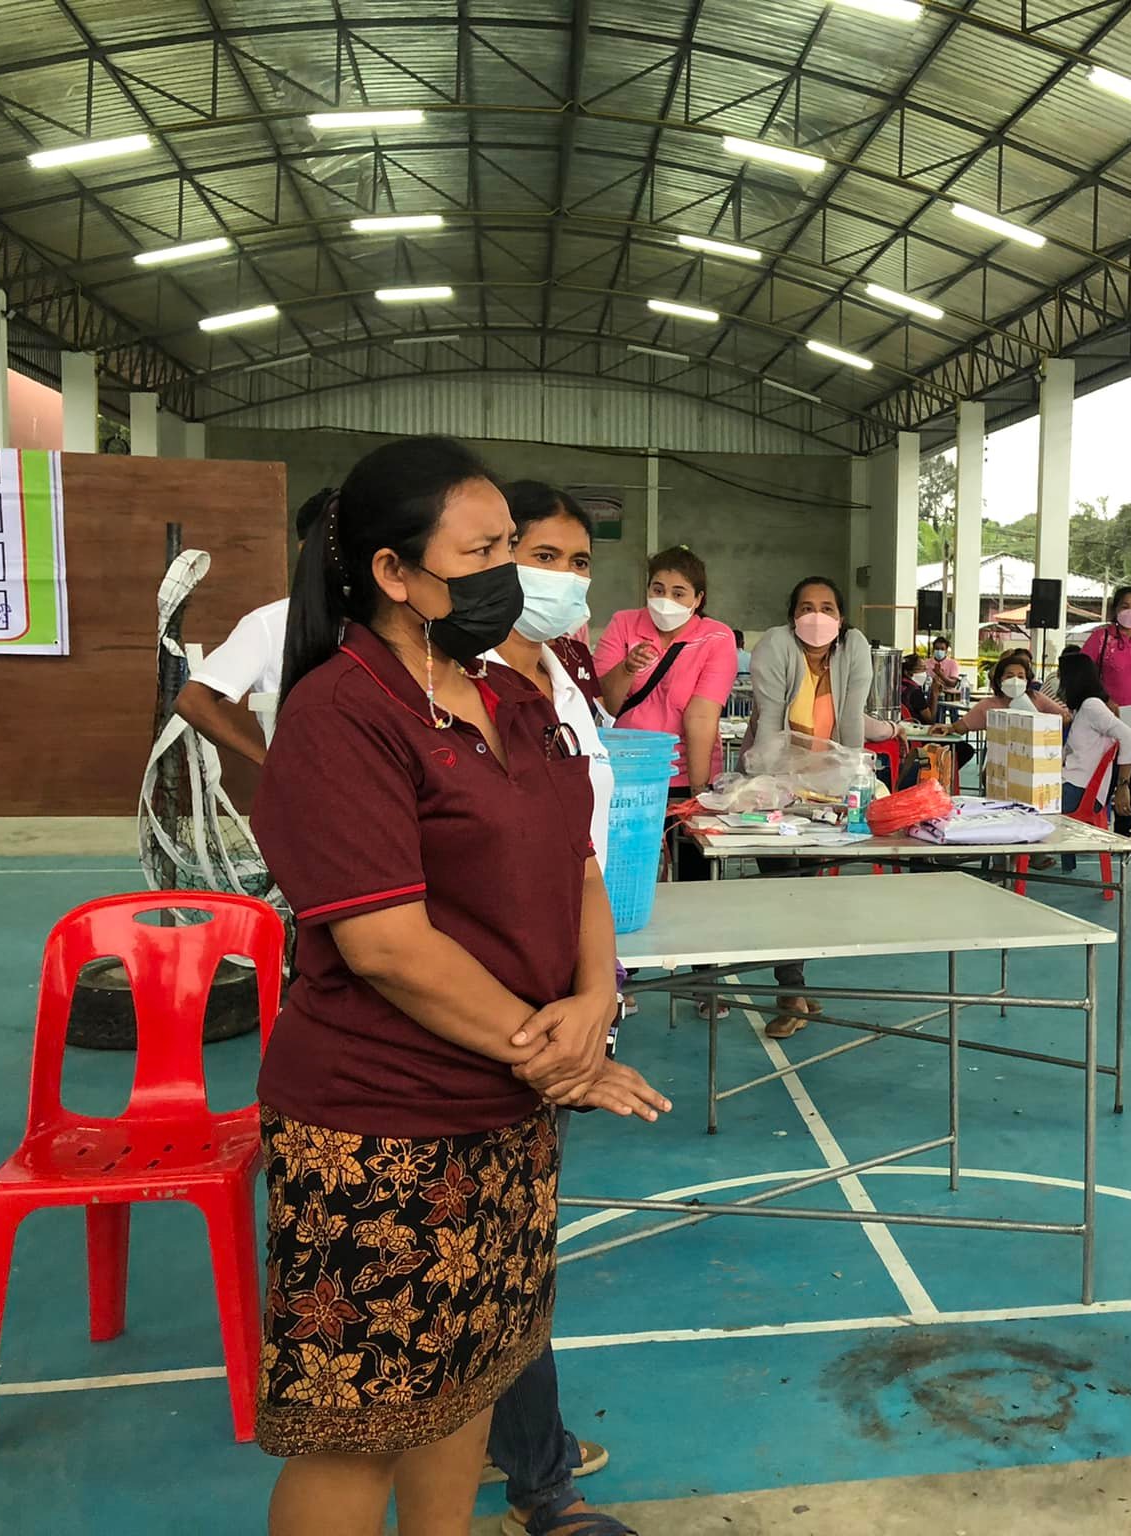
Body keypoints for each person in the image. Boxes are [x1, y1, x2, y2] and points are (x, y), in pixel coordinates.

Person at [251, 435, 669, 1536]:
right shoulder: (342, 715)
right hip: (381, 1132)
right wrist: (557, 1048)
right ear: (393, 573)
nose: (509, 577)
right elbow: (387, 945)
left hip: (507, 1117)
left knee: (467, 1382)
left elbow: (578, 861)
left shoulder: (511, 697)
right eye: (481, 551)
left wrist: (591, 1008)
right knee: (361, 1430)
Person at [478, 481, 624, 1535]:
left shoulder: (559, 673)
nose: (564, 578)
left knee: (516, 1238)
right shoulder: (460, 683)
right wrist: (545, 1022)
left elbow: (579, 856)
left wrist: (595, 992)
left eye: (579, 560)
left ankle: (524, 1452)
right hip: (500, 1004)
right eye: (542, 554)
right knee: (499, 1245)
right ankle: (540, 1479)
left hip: (564, 982)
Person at [743, 576, 905, 1038]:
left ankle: (795, 985)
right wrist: (778, 788)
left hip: (830, 788)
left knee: (805, 888)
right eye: (807, 607)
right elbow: (772, 728)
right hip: (774, 781)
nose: (817, 616)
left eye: (828, 608)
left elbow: (852, 720)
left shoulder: (852, 648)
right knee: (782, 887)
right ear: (792, 615)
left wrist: (854, 784)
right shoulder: (775, 647)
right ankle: (790, 992)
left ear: (841, 617)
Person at [593, 546, 737, 882]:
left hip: (687, 774)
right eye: (657, 590)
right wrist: (627, 668)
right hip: (628, 774)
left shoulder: (716, 637)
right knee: (623, 871)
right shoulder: (623, 623)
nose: (665, 600)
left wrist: (698, 795)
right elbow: (606, 703)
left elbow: (701, 716)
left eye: (678, 593)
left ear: (698, 599)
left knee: (693, 874)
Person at [174, 486, 334, 766]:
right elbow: (192, 701)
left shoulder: (384, 619)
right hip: (309, 790)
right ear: (305, 549)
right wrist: (269, 762)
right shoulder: (270, 624)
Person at [1082, 586, 1131, 841]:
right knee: (1102, 777)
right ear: (1115, 610)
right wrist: (1104, 699)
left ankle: (1124, 836)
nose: (1130, 612)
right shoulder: (1100, 638)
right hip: (1104, 721)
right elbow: (1081, 673)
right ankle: (1095, 832)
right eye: (1125, 606)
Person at [1053, 650, 1131, 872]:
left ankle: (1021, 860)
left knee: (1024, 805)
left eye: (1061, 675)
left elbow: (1129, 737)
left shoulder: (1093, 707)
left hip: (1080, 791)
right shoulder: (1083, 708)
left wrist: (1123, 786)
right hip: (1072, 784)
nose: (1058, 681)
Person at [947, 648, 1070, 733]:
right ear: (1000, 680)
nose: (1015, 681)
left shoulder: (1036, 698)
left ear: (1027, 681)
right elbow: (962, 726)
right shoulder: (988, 705)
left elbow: (1065, 718)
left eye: (1021, 676)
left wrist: (1040, 722)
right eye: (1010, 676)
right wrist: (947, 729)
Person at [901, 653, 937, 726]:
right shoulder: (914, 692)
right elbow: (930, 720)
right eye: (921, 668)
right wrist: (934, 693)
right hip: (914, 729)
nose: (924, 672)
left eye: (925, 668)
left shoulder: (897, 685)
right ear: (907, 672)